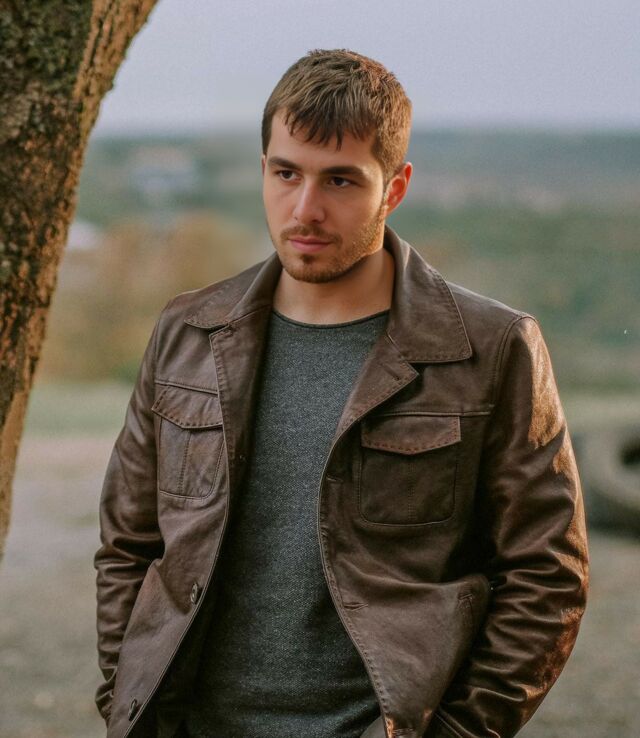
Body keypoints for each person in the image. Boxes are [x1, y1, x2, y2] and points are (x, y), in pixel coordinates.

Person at [93, 49, 589, 738]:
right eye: (286, 173)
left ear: (395, 188)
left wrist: (459, 732)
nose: (306, 209)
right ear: (262, 170)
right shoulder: (188, 331)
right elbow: (128, 545)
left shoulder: (492, 348)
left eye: (340, 180)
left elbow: (547, 574)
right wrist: (125, 696)